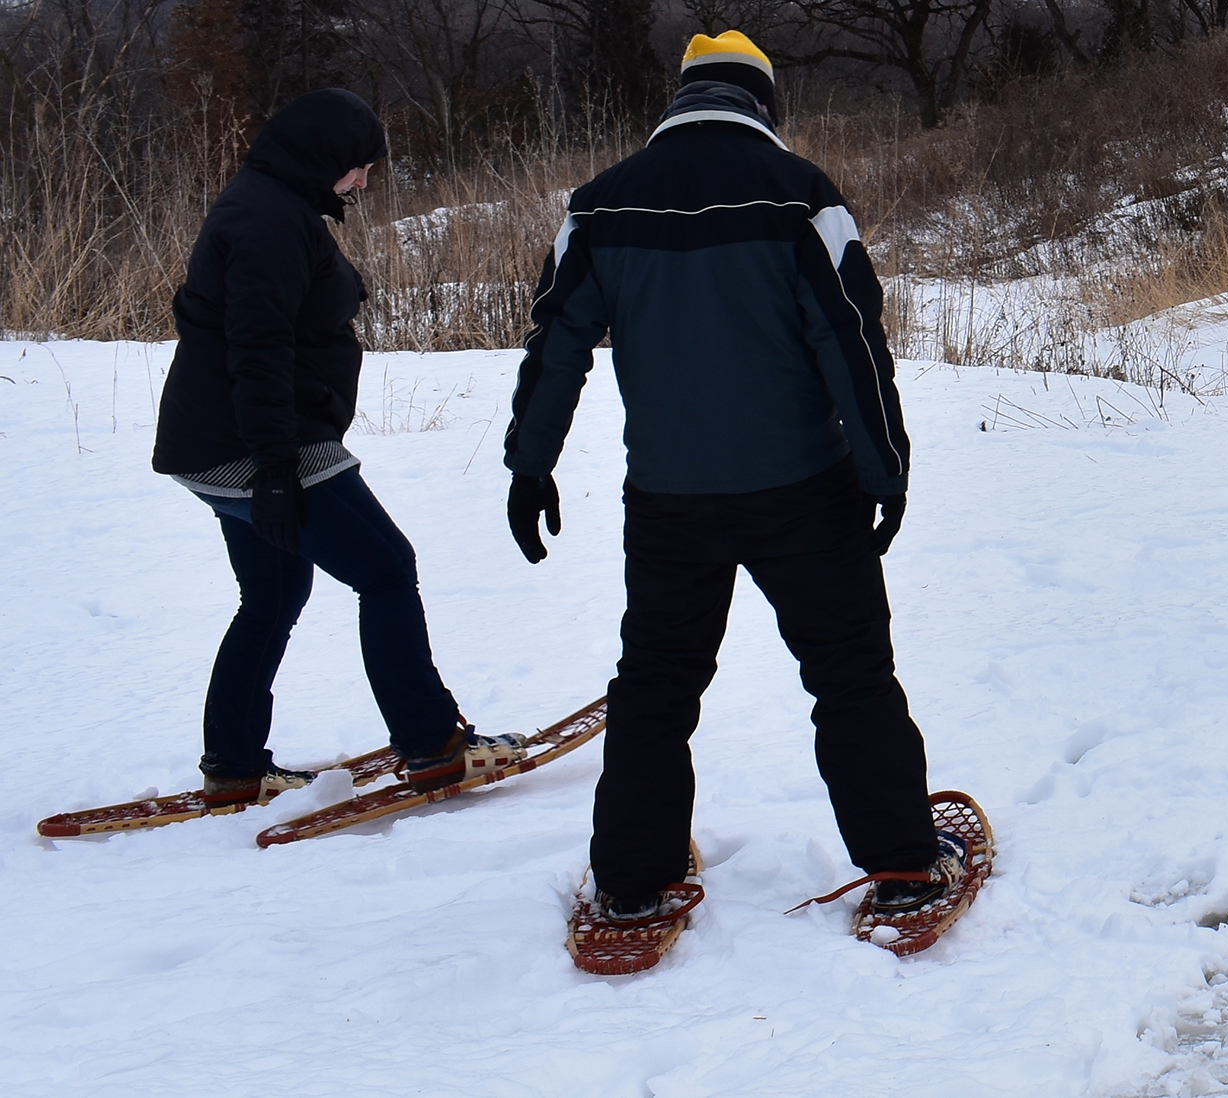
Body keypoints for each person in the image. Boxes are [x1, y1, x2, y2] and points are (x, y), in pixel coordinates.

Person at [502, 32, 960, 922]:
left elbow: (555, 342)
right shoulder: (802, 195)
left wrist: (530, 467)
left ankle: (633, 878)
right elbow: (852, 342)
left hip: (669, 501)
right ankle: (904, 865)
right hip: (803, 491)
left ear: (683, 100)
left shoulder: (599, 206)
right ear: (763, 101)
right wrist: (885, 468)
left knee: (656, 685)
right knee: (850, 673)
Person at [151, 89, 526, 808]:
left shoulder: (270, 204)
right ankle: (434, 745)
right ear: (322, 159)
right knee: (387, 570)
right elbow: (256, 352)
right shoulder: (265, 222)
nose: (362, 181)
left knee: (272, 592)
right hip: (259, 443)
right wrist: (274, 470)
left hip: (226, 443)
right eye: (356, 167)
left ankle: (234, 766)